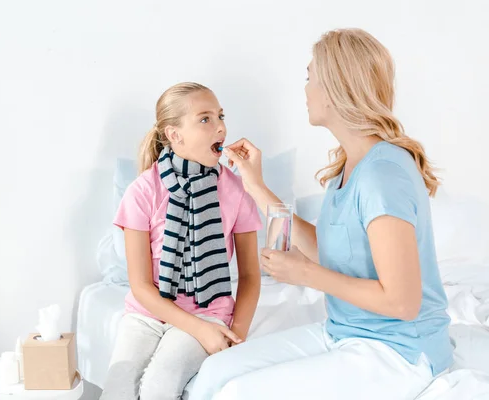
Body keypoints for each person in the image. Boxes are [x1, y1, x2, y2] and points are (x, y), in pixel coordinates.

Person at [189, 28, 453, 400]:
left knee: (238, 393)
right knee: (215, 372)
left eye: (310, 76)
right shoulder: (351, 165)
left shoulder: (383, 173)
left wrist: (307, 276)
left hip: (399, 351)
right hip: (344, 332)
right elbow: (330, 249)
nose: (305, 88)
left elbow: (403, 302)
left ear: (336, 88)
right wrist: (256, 187)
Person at [100, 82, 262, 400]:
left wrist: (235, 336)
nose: (220, 127)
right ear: (175, 135)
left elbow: (251, 276)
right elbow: (141, 286)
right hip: (147, 313)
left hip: (208, 313)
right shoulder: (143, 191)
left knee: (159, 384)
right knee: (118, 387)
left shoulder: (237, 190)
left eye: (220, 116)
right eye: (205, 119)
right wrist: (196, 329)